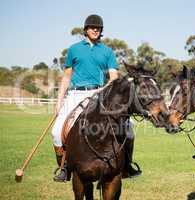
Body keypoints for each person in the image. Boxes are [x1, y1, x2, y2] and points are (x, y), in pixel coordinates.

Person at [51, 14, 141, 182]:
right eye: (92, 27)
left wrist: (105, 89)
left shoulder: (107, 51)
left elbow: (114, 77)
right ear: (86, 30)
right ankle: (65, 167)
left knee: (129, 127)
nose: (95, 30)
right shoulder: (74, 49)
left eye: (98, 28)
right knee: (56, 132)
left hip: (100, 93)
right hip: (76, 94)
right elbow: (66, 78)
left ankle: (127, 164)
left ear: (101, 31)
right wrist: (59, 102)